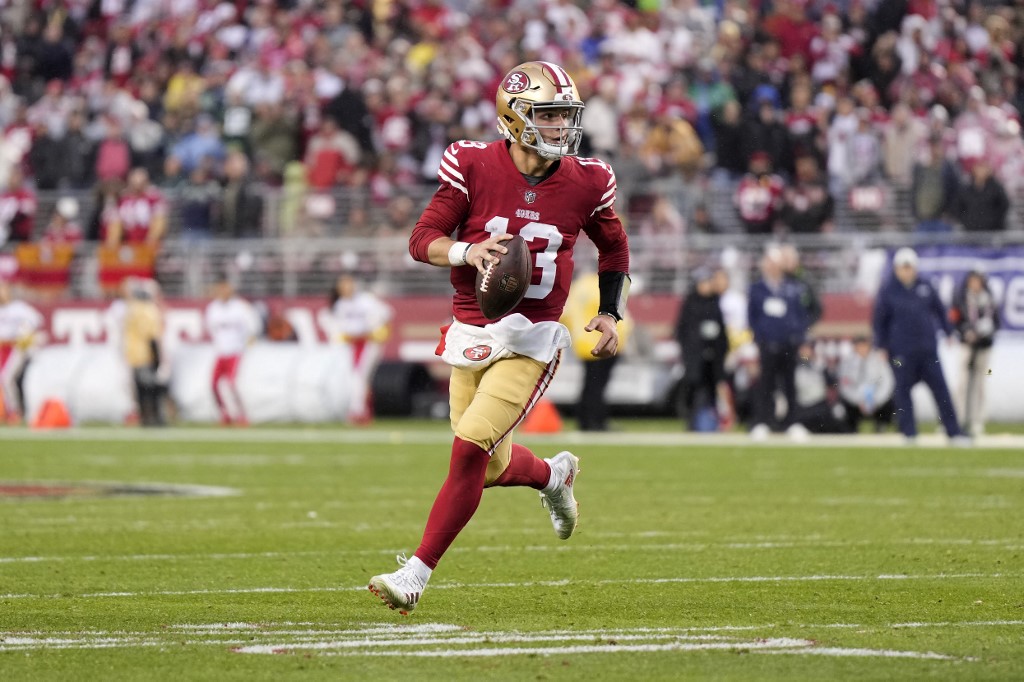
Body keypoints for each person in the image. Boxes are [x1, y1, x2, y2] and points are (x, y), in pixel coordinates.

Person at [368, 61, 630, 614]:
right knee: (486, 465)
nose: (561, 127)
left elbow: (614, 248)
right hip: (472, 330)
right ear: (514, 119)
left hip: (534, 338)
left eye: (565, 115)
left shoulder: (588, 179)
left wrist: (610, 312)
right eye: (548, 115)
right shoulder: (472, 163)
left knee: (467, 452)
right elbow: (422, 239)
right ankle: (554, 475)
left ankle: (415, 574)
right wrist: (468, 251)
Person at [872, 247, 966, 444]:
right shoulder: (888, 290)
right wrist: (881, 345)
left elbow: (940, 310)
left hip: (927, 349)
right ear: (896, 269)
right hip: (901, 352)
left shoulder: (926, 286)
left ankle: (954, 432)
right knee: (903, 393)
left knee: (941, 391)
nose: (906, 271)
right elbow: (879, 320)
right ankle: (909, 433)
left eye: (909, 267)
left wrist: (948, 332)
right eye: (903, 267)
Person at [747, 246, 814, 440]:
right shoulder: (757, 288)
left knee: (790, 385)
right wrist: (757, 339)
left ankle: (792, 423)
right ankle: (762, 422)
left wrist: (802, 340)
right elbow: (752, 317)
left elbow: (801, 317)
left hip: (788, 343)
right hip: (767, 344)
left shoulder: (793, 288)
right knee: (765, 385)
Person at [562, 271, 632, 432]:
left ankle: (585, 419)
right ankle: (596, 421)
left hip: (583, 342)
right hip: (603, 341)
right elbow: (614, 312)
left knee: (589, 383)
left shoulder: (578, 287)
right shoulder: (603, 285)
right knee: (598, 385)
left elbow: (566, 314)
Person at [325, 274, 393, 425]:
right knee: (359, 378)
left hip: (369, 342)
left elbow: (387, 314)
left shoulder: (366, 300)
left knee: (359, 376)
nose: (346, 288)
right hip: (353, 344)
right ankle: (363, 410)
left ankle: (358, 411)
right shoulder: (340, 305)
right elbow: (340, 329)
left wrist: (380, 331)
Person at [674, 267, 730, 432]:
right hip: (695, 355)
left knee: (712, 388)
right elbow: (682, 330)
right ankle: (692, 422)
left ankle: (711, 422)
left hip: (713, 354)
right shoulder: (690, 302)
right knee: (693, 387)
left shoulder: (715, 301)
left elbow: (721, 329)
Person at [203, 274, 260, 426]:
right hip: (220, 352)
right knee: (214, 384)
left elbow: (253, 327)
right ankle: (225, 413)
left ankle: (242, 414)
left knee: (232, 384)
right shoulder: (213, 308)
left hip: (235, 351)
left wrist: (248, 341)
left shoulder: (240, 307)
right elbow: (210, 328)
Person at [950, 270, 1000, 437]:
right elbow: (955, 320)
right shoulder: (962, 297)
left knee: (981, 383)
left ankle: (978, 420)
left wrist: (987, 332)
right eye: (972, 281)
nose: (975, 284)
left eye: (978, 281)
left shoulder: (989, 298)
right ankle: (958, 419)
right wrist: (966, 332)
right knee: (962, 383)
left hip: (985, 346)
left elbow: (996, 323)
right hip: (967, 345)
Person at [121, 278, 166, 427]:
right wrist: (158, 357)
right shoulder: (149, 310)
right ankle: (154, 417)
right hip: (146, 354)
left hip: (134, 354)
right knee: (151, 388)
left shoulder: (131, 309)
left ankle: (145, 417)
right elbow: (151, 335)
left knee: (140, 389)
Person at [0, 281, 43, 424]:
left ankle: (15, 411)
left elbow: (36, 320)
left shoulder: (19, 308)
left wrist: (26, 333)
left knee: (7, 378)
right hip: (3, 348)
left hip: (16, 348)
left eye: (3, 289)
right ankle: (9, 411)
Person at [836, 336, 895, 433]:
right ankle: (851, 430)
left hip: (876, 400)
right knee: (844, 405)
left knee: (890, 402)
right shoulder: (847, 363)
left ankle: (881, 427)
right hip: (856, 402)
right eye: (858, 346)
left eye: (864, 346)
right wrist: (858, 401)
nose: (861, 349)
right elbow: (845, 386)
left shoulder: (879, 360)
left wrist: (876, 400)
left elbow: (887, 383)